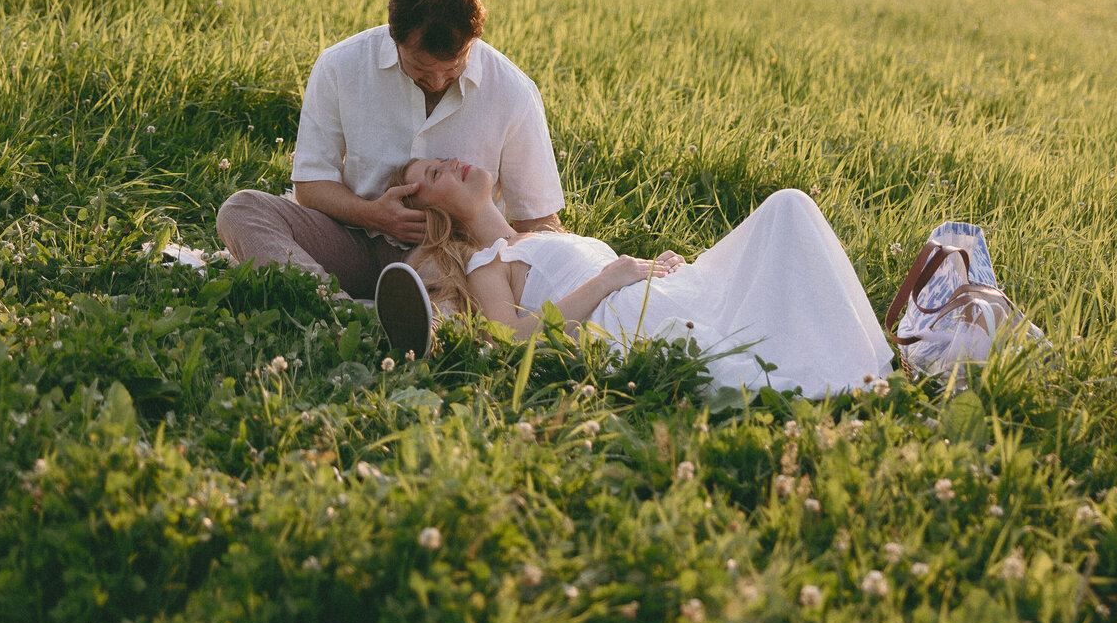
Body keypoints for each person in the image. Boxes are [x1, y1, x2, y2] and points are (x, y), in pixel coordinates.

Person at [375, 157, 894, 400]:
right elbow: (511, 341)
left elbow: (608, 271)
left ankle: (862, 357)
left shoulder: (531, 237)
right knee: (787, 215)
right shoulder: (485, 263)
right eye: (436, 174)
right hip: (621, 317)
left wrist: (660, 266)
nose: (453, 163)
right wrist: (608, 279)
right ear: (430, 211)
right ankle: (851, 373)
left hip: (657, 289)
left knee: (789, 209)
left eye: (444, 158)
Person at [216, 0, 564, 300]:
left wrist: (562, 270)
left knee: (452, 277)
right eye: (421, 68)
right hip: (355, 239)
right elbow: (310, 185)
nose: (438, 81)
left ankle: (425, 319)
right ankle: (332, 306)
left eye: (454, 66)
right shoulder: (341, 66)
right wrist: (375, 215)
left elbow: (538, 221)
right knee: (241, 209)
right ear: (394, 37)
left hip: (453, 256)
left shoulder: (512, 91)